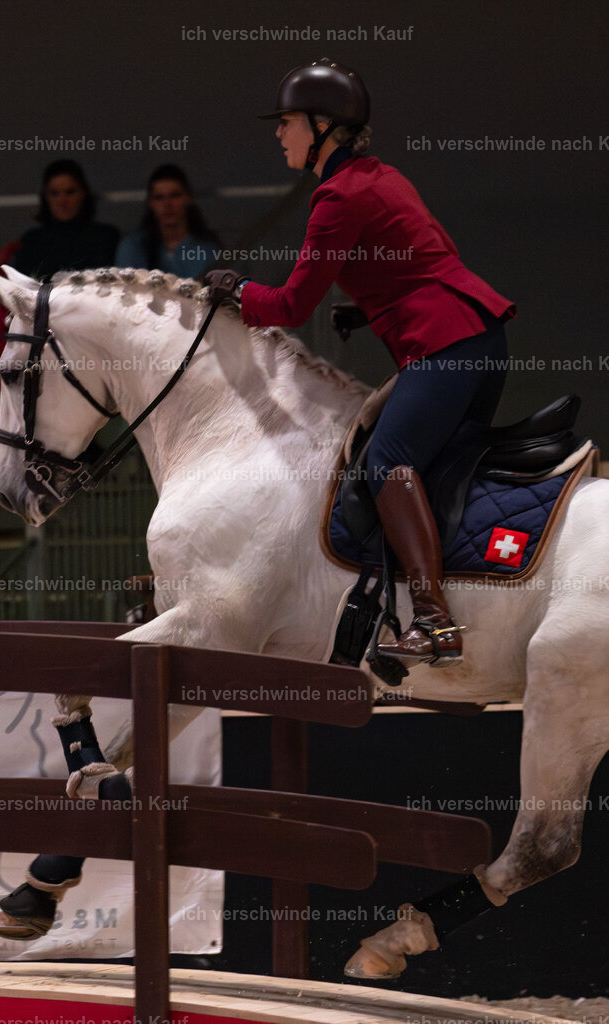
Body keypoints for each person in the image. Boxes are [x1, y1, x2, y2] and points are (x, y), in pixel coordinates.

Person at [205, 58, 515, 674]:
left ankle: (433, 621)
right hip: (480, 338)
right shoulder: (380, 177)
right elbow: (425, 267)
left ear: (323, 127)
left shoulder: (337, 197)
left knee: (386, 462)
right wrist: (370, 310)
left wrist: (236, 290)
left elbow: (290, 303)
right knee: (431, 470)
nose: (279, 134)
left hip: (447, 345)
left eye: (288, 122)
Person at [13, 159, 119, 279]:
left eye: (70, 192)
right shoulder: (32, 242)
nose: (62, 200)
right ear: (45, 197)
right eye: (54, 193)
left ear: (83, 193)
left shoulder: (107, 237)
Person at [115, 164, 218, 278]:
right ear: (150, 203)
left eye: (175, 196)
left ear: (189, 198)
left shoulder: (208, 248)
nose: (167, 204)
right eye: (159, 197)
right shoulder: (132, 247)